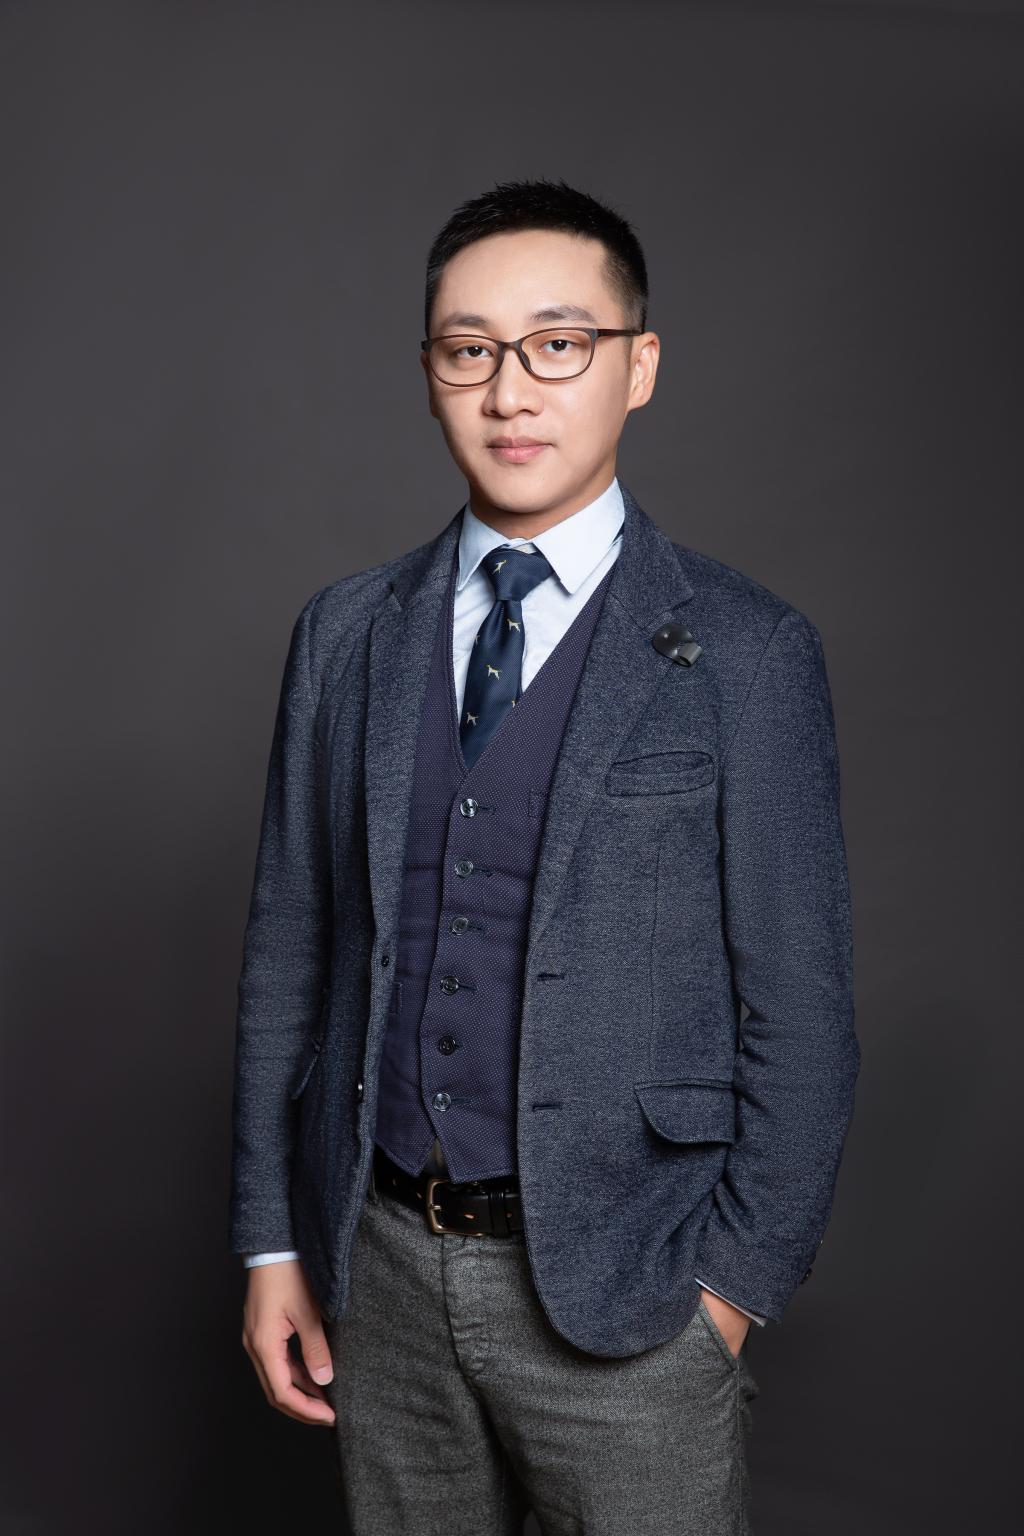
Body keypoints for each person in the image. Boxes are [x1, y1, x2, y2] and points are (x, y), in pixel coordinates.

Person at [230, 176, 860, 1534]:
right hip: (379, 1269)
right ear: (430, 373)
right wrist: (274, 1241)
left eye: (558, 345)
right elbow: (290, 950)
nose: (510, 391)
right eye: (471, 351)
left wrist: (727, 1296)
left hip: (633, 1296)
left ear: (639, 366)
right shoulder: (344, 633)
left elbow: (802, 1014)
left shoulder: (747, 652)